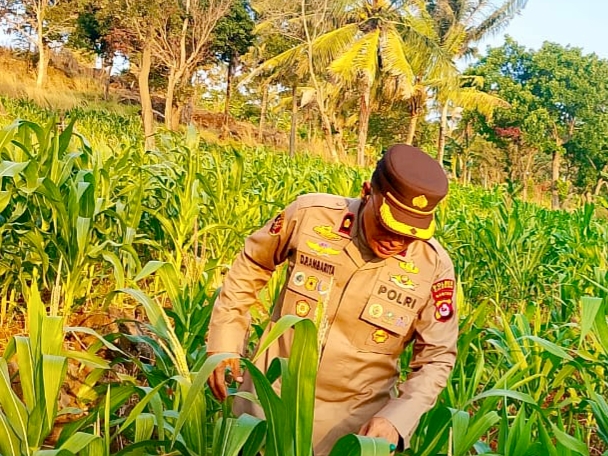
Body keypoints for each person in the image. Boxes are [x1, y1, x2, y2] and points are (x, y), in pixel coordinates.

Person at [207, 144, 458, 455]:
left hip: (353, 433)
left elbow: (436, 358)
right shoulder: (310, 216)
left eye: (410, 234)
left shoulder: (433, 267)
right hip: (267, 408)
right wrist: (225, 339)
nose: (396, 241)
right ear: (367, 193)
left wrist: (396, 419)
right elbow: (254, 262)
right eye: (388, 225)